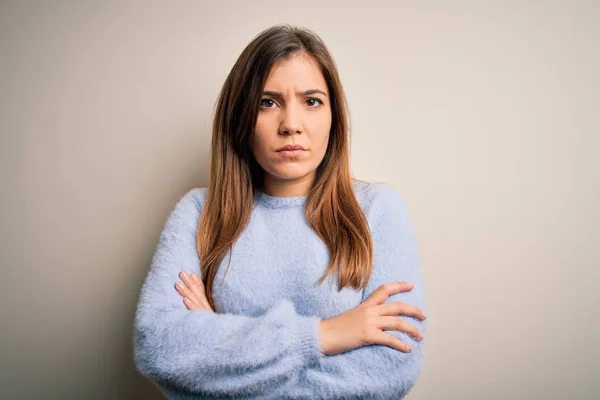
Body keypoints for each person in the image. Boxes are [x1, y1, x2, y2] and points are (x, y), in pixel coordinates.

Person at [133, 24, 428, 400]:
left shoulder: (378, 211)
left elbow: (391, 371)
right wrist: (326, 335)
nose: (291, 125)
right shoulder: (199, 212)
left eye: (312, 101)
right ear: (242, 117)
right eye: (267, 102)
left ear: (334, 117)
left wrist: (218, 347)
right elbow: (160, 348)